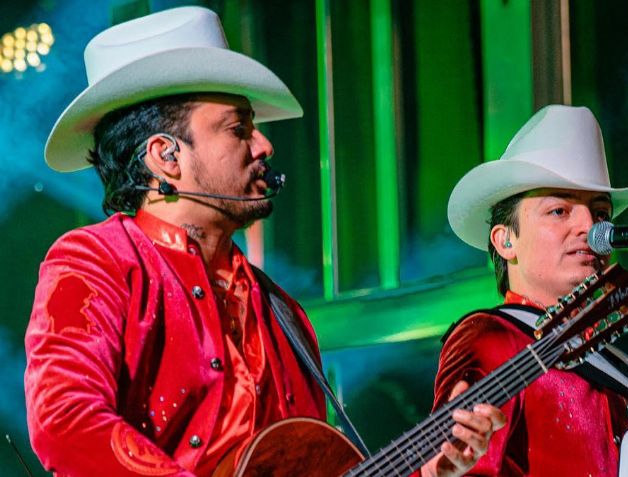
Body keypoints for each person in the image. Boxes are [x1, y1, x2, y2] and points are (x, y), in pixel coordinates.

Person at [24, 7, 502, 477]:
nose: (264, 146)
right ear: (166, 156)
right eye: (239, 129)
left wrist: (431, 471)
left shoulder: (283, 313)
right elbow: (65, 421)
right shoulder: (95, 262)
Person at [433, 104, 628, 476]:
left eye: (601, 213)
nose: (590, 227)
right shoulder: (491, 338)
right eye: (559, 210)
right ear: (505, 240)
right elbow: (458, 462)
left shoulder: (613, 363)